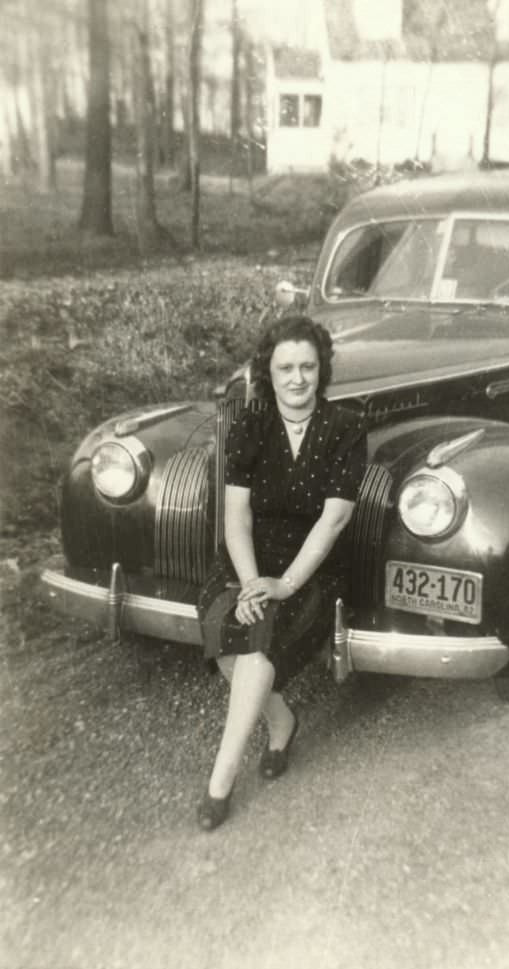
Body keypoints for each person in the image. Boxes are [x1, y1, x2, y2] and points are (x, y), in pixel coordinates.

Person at [196, 314, 367, 831]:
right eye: (285, 367)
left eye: (308, 367)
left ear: (322, 371)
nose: (297, 378)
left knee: (259, 639)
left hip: (309, 568)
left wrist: (284, 584)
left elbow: (333, 521)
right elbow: (236, 518)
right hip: (245, 560)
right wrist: (252, 582)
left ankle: (219, 784)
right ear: (267, 372)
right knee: (229, 634)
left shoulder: (345, 428)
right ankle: (281, 721)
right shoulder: (252, 425)